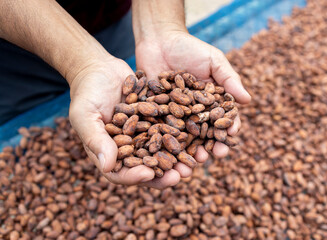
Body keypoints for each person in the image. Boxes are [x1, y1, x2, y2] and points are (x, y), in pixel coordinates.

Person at [0, 0, 251, 189]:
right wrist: (82, 64)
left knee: (110, 96)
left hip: (108, 15)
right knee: (30, 119)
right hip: (12, 42)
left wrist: (161, 27)